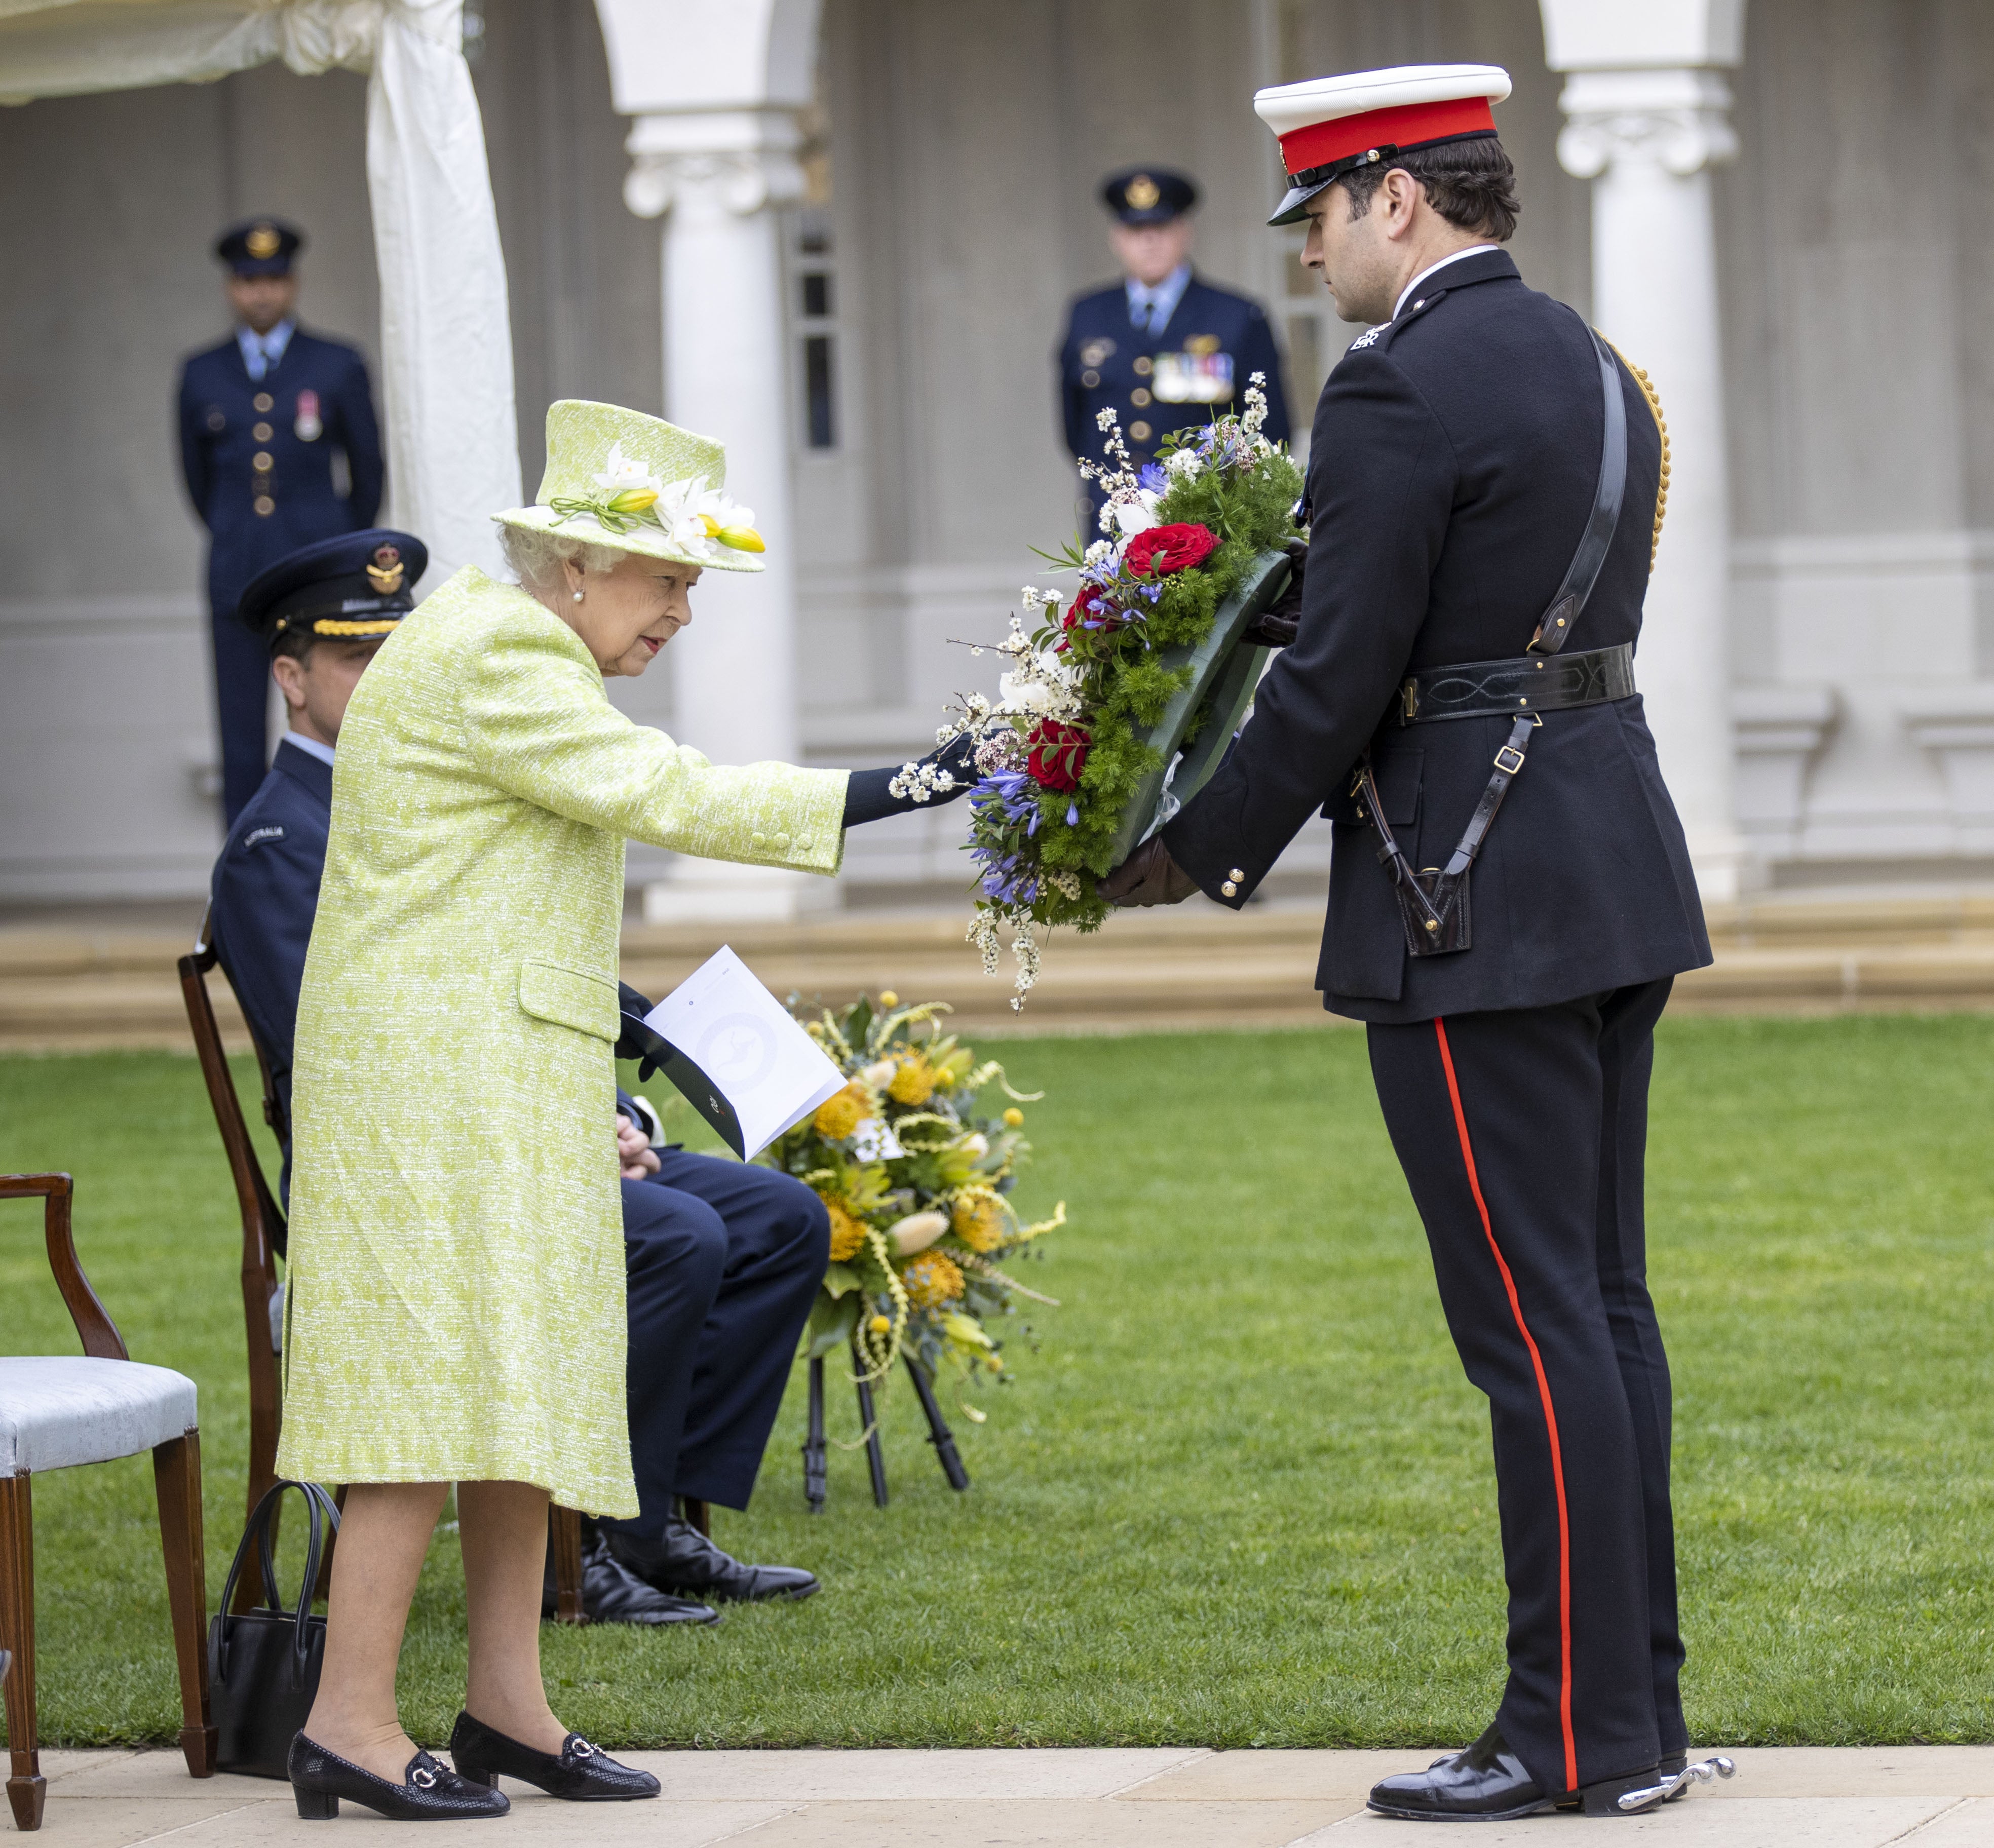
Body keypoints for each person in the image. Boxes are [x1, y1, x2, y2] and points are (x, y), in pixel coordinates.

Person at [1101, 68, 1724, 1823]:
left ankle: (1571, 1739)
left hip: (1470, 892)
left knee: (1529, 1331)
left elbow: (1338, 674)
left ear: (1393, 196)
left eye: (1315, 216)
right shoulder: (1597, 363)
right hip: (1602, 855)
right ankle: (1636, 1718)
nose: (1303, 256)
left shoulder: (1391, 389)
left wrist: (1182, 846)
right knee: (1597, 1306)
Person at [275, 401, 972, 1821]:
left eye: (693, 587)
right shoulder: (505, 651)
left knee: (527, 1378)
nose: (684, 615)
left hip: (483, 1070)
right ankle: (346, 1720)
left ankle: (506, 1709)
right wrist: (914, 785)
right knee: (425, 1395)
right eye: (669, 582)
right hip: (434, 1085)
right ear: (579, 567)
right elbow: (671, 791)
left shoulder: (498, 642)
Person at [209, 529, 824, 1633]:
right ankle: (587, 1545)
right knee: (680, 1237)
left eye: (394, 651)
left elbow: (508, 958)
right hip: (414, 1159)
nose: (389, 675)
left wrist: (619, 1111)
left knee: (778, 1215)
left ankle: (651, 1520)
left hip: (526, 1110)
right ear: (291, 679)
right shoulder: (277, 841)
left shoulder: (454, 758)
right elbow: (347, 1046)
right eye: (355, 660)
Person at [177, 218, 384, 825]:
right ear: (230, 288)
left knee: (336, 714)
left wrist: (340, 548)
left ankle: (341, 850)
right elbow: (196, 480)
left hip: (319, 574)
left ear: (292, 283)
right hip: (236, 572)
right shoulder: (201, 372)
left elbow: (368, 472)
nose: (261, 293)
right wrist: (239, 532)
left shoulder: (337, 363)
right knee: (238, 730)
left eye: (272, 279)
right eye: (248, 281)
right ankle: (244, 874)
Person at [1057, 167, 1290, 519]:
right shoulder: (1087, 315)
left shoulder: (1237, 316)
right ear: (1116, 238)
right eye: (1136, 230)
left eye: (1162, 228)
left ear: (1186, 232)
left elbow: (1269, 433)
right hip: (1114, 525)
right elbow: (1075, 428)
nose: (1149, 242)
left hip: (1206, 526)